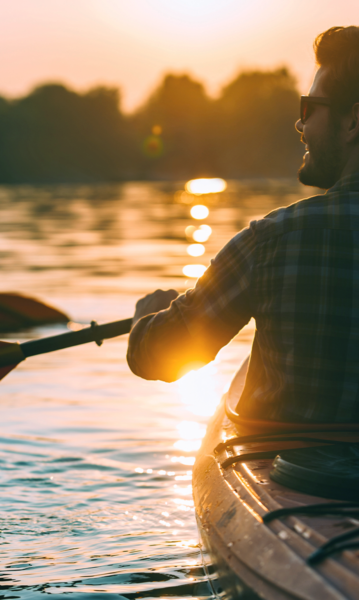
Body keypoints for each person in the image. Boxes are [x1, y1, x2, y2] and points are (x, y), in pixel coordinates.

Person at [127, 26, 359, 424]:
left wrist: (144, 321)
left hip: (294, 472)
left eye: (308, 108)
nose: (300, 126)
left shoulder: (274, 241)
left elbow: (157, 357)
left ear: (354, 121)